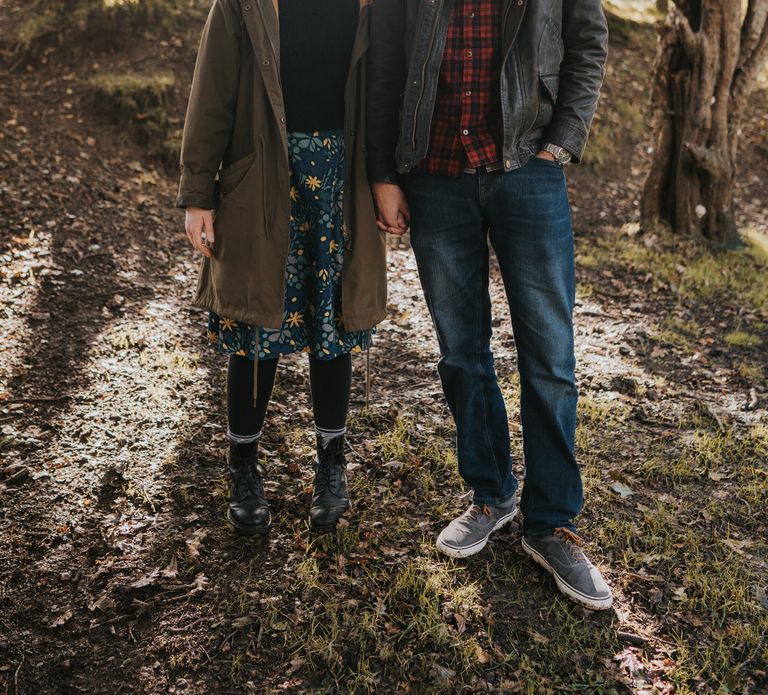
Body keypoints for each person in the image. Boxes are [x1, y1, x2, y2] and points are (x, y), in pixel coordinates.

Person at [367, 0, 612, 609]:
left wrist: (564, 138)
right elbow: (385, 66)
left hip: (530, 167)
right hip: (434, 172)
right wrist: (384, 172)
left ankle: (551, 521)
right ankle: (491, 493)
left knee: (551, 358)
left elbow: (588, 42)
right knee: (461, 351)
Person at [176, 0, 385, 536]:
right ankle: (243, 465)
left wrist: (390, 179)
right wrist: (199, 194)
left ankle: (331, 463)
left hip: (338, 177)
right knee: (255, 321)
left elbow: (386, 90)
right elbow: (212, 93)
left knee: (333, 323)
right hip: (263, 174)